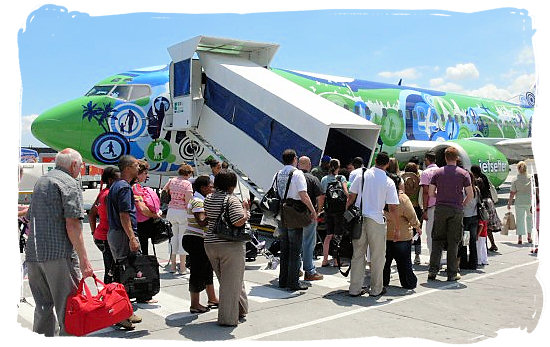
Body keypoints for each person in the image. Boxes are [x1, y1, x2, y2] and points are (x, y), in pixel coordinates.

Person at [25, 148, 94, 336]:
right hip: (59, 255)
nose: (80, 170)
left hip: (34, 255)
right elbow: (73, 224)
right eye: (80, 166)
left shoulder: (42, 181)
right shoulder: (69, 184)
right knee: (68, 308)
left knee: (42, 307)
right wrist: (84, 260)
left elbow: (31, 215)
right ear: (73, 165)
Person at [346, 152, 399, 297]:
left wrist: (346, 213)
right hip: (376, 219)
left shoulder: (362, 175)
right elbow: (393, 207)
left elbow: (351, 196)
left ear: (375, 160)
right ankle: (376, 289)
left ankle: (355, 288)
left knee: (358, 254)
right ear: (387, 164)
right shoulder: (388, 181)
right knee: (377, 256)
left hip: (359, 218)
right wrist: (396, 227)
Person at [204, 169, 250, 326]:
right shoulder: (232, 199)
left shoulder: (209, 198)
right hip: (229, 245)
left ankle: (241, 308)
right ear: (232, 185)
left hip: (210, 243)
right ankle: (228, 319)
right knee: (231, 283)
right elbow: (238, 221)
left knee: (229, 279)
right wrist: (246, 210)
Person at [107, 154, 143, 329]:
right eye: (136, 165)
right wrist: (132, 237)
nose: (139, 168)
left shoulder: (117, 185)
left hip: (116, 233)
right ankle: (121, 314)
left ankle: (126, 312)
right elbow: (124, 215)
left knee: (123, 274)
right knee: (126, 275)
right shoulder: (124, 188)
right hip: (122, 234)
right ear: (128, 168)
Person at [427, 147, 473, 281]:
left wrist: (440, 196)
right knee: (454, 241)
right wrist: (462, 203)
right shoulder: (464, 174)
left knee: (437, 239)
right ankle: (452, 273)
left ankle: (433, 270)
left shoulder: (437, 173)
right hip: (456, 209)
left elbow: (430, 193)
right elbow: (470, 194)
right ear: (457, 158)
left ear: (445, 158)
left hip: (441, 208)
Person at [274, 149, 317, 291]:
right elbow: (303, 195)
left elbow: (274, 192)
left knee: (284, 248)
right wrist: (313, 211)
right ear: (294, 159)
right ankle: (293, 282)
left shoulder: (278, 173)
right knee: (295, 248)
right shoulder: (297, 173)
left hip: (281, 212)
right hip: (294, 213)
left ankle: (283, 280)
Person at [182, 175, 219, 313]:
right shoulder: (198, 201)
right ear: (203, 188)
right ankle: (195, 304)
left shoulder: (200, 199)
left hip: (198, 239)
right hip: (195, 239)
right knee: (197, 272)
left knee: (208, 269)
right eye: (210, 187)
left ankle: (212, 298)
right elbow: (202, 221)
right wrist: (215, 212)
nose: (212, 189)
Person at [383, 175, 420, 290]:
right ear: (399, 184)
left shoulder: (383, 196)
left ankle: (383, 281)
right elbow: (412, 216)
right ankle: (408, 282)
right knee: (404, 262)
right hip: (402, 236)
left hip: (385, 234)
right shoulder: (402, 198)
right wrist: (417, 227)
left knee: (385, 262)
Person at [88, 166, 120, 284]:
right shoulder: (111, 194)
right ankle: (110, 296)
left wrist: (93, 231)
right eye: (118, 179)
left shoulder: (102, 193)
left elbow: (91, 213)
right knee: (112, 270)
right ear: (111, 180)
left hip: (100, 235)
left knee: (109, 268)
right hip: (108, 237)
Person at [163, 164, 194, 274]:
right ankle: (182, 267)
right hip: (182, 212)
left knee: (173, 238)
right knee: (182, 239)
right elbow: (188, 201)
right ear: (188, 173)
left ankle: (172, 266)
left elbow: (164, 191)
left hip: (171, 211)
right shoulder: (187, 184)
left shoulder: (172, 181)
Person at [297, 156, 324, 281]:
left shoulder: (293, 177)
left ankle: (296, 269)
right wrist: (317, 211)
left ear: (298, 165)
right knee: (308, 243)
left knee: (295, 243)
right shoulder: (313, 179)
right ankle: (309, 271)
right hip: (308, 214)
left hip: (292, 215)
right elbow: (320, 197)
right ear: (309, 165)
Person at [320, 158, 348, 267]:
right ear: (338, 167)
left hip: (328, 210)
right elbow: (346, 193)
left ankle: (325, 260)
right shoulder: (342, 178)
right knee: (337, 236)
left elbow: (322, 196)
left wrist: (320, 210)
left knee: (328, 235)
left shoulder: (324, 179)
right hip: (339, 211)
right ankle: (336, 261)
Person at [133, 160, 162, 256]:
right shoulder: (135, 188)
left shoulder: (134, 186)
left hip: (138, 224)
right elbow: (142, 209)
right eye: (145, 173)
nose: (147, 176)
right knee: (142, 251)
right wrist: (155, 215)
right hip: (140, 224)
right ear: (137, 174)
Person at [471, 165, 501, 251]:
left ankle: (485, 246)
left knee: (484, 225)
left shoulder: (477, 181)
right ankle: (492, 244)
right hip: (489, 202)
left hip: (484, 204)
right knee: (488, 226)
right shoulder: (484, 177)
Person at [458, 171, 480, 270]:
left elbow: (462, 202)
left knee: (464, 242)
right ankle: (473, 262)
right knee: (472, 241)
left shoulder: (464, 190)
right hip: (474, 216)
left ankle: (463, 262)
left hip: (466, 216)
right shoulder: (476, 189)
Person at [401, 162, 422, 265]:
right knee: (417, 231)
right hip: (417, 207)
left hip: (405, 207)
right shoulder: (419, 180)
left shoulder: (402, 181)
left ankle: (406, 254)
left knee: (406, 231)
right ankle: (417, 256)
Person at [507, 161, 533, 244]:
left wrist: (509, 203)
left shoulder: (515, 179)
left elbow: (512, 193)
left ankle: (520, 238)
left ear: (518, 169)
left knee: (520, 219)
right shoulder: (530, 178)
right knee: (529, 219)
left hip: (519, 201)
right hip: (529, 201)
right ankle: (529, 236)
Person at [419, 151, 438, 258]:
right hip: (442, 205)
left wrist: (424, 209)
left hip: (431, 206)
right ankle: (439, 257)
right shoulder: (441, 171)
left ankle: (433, 258)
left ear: (427, 159)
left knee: (430, 233)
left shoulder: (426, 173)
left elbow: (426, 192)